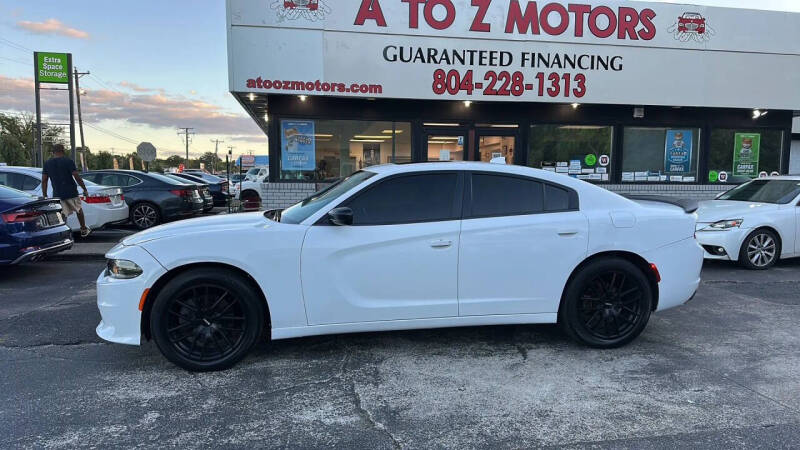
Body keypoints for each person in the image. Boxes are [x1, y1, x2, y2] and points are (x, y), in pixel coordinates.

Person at [41, 144, 92, 237]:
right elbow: (76, 176)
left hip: (57, 193)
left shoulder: (47, 163)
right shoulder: (68, 161)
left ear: (53, 152)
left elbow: (44, 180)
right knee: (78, 209)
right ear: (63, 151)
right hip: (71, 191)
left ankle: (62, 233)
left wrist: (44, 195)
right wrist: (84, 189)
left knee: (62, 214)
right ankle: (83, 229)